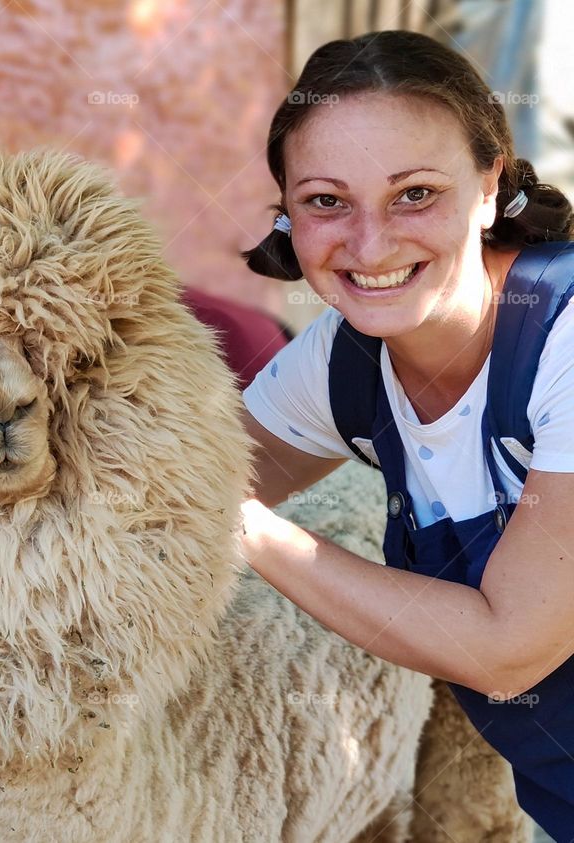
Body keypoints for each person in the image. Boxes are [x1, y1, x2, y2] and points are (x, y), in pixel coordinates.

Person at [238, 29, 574, 838]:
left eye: (415, 192)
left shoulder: (562, 336)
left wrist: (241, 530)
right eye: (326, 201)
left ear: (491, 185)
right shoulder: (343, 364)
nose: (370, 242)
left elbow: (510, 648)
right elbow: (170, 480)